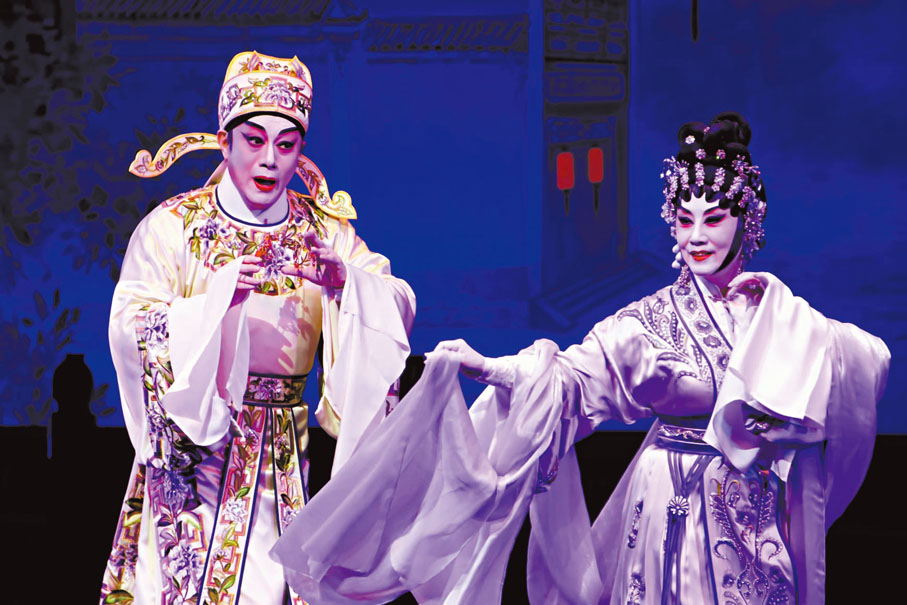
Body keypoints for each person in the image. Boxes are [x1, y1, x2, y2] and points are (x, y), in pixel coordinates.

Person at [270, 112, 889, 604]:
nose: (697, 236)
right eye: (684, 219)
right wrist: (491, 368)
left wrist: (783, 358)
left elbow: (861, 365)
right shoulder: (648, 323)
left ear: (745, 220)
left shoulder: (778, 315)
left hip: (748, 506)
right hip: (665, 502)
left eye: (715, 219)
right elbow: (571, 379)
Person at [99, 51, 415, 605]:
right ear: (224, 142)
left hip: (283, 457)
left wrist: (346, 284)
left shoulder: (324, 231)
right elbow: (131, 325)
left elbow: (397, 299)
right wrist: (214, 307)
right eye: (253, 141)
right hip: (194, 457)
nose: (269, 160)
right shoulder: (173, 228)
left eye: (286, 145)